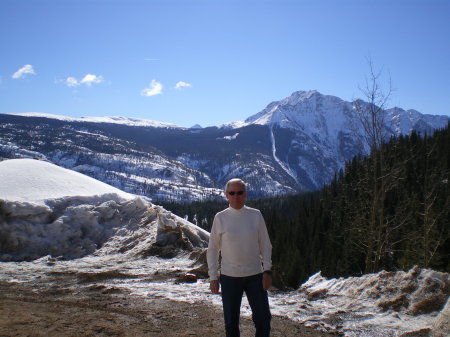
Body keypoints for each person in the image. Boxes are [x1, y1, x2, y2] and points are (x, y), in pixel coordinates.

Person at [207, 178, 272, 337]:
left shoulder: (256, 215)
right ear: (226, 195)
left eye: (240, 192)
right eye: (232, 193)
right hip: (229, 278)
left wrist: (267, 271)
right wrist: (213, 277)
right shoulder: (220, 218)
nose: (236, 196)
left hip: (255, 276)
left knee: (263, 320)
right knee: (231, 324)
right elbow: (213, 249)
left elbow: (265, 245)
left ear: (245, 194)